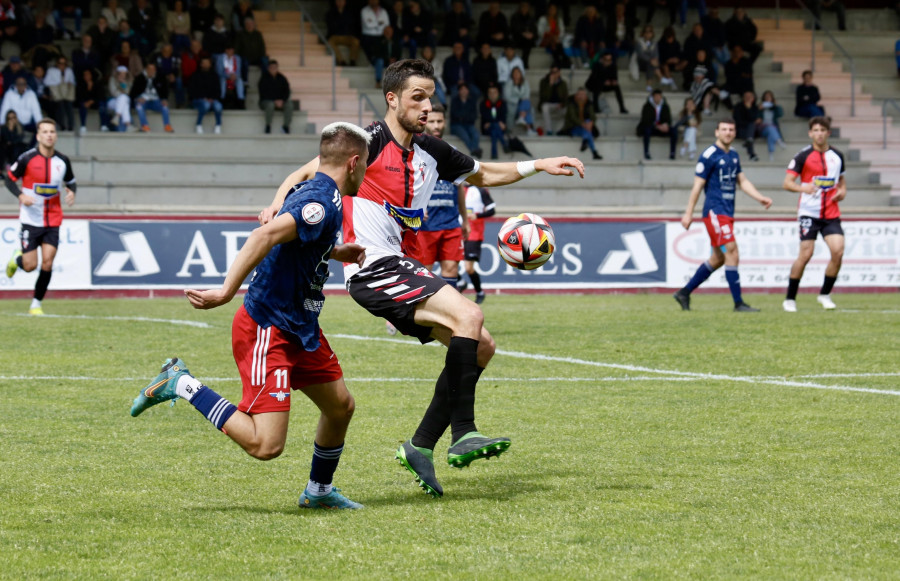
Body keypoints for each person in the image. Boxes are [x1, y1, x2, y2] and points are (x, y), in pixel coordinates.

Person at [260, 58, 585, 498]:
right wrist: (278, 205)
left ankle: (420, 445)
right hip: (371, 266)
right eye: (417, 97)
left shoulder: (432, 150)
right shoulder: (369, 141)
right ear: (392, 99)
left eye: (430, 96)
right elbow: (306, 171)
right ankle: (465, 432)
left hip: (397, 263)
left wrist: (541, 163)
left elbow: (485, 173)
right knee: (469, 314)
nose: (427, 105)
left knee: (481, 347)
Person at [130, 122, 371, 510]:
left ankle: (319, 491)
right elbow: (264, 236)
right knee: (265, 444)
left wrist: (335, 250)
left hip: (301, 326)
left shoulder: (325, 189)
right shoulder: (321, 202)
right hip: (269, 326)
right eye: (367, 167)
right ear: (354, 163)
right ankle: (181, 383)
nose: (367, 175)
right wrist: (226, 292)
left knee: (340, 406)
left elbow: (300, 218)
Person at [673, 118, 772, 312]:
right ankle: (738, 303)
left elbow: (742, 181)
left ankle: (684, 293)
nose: (728, 132)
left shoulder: (734, 155)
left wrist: (759, 197)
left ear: (734, 133)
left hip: (727, 213)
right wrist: (688, 213)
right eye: (724, 129)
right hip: (715, 212)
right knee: (732, 251)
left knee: (718, 258)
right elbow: (697, 185)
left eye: (731, 130)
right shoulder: (709, 155)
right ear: (717, 132)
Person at [5, 119, 77, 316]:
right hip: (31, 220)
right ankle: (17, 260)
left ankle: (36, 304)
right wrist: (20, 196)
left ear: (56, 135)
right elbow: (9, 180)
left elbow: (71, 181)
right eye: (45, 132)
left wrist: (71, 192)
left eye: (52, 131)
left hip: (53, 219)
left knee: (47, 262)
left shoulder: (62, 161)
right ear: (38, 136)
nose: (49, 135)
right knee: (30, 266)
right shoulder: (27, 159)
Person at [781, 116, 846, 312]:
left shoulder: (837, 156)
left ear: (828, 133)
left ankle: (825, 294)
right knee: (806, 254)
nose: (819, 133)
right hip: (809, 213)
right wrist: (804, 188)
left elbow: (841, 183)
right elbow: (787, 183)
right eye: (815, 130)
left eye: (822, 130)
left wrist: (842, 192)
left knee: (838, 251)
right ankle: (790, 298)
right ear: (810, 133)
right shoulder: (803, 156)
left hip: (831, 212)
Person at [457, 182, 495, 304]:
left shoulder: (481, 190)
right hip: (456, 232)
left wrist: (477, 216)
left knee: (468, 268)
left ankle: (479, 292)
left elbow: (492, 210)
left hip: (473, 233)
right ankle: (461, 282)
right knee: (446, 261)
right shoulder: (457, 187)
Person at [560, 87, 602, 160]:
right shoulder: (572, 104)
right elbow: (572, 117)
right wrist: (583, 124)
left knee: (588, 122)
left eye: (583, 94)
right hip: (573, 126)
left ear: (585, 96)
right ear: (576, 95)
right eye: (579, 94)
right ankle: (594, 151)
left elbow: (593, 116)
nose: (581, 96)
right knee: (587, 131)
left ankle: (586, 141)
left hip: (585, 127)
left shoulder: (589, 104)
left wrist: (590, 123)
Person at [130, 62, 173, 133]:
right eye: (149, 69)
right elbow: (133, 93)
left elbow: (165, 91)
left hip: (156, 101)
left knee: (165, 107)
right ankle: (145, 126)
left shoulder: (160, 77)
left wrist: (164, 99)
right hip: (143, 101)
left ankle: (167, 126)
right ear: (146, 69)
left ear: (155, 70)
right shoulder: (139, 78)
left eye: (153, 69)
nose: (151, 71)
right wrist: (138, 98)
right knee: (139, 107)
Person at [637, 89, 677, 160]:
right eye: (656, 96)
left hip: (662, 128)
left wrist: (665, 125)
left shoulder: (665, 106)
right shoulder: (647, 106)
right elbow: (645, 120)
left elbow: (668, 119)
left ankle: (672, 153)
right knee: (647, 130)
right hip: (651, 128)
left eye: (659, 97)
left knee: (674, 131)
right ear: (653, 97)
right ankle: (646, 152)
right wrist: (657, 126)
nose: (658, 98)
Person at [190, 55, 223, 134]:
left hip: (212, 100)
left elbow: (218, 91)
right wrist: (203, 98)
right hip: (198, 100)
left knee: (218, 106)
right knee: (206, 105)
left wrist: (212, 98)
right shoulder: (195, 75)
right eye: (203, 63)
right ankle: (198, 124)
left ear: (210, 64)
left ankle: (218, 125)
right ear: (201, 64)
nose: (205, 65)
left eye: (207, 63)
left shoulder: (215, 76)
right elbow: (192, 91)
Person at [258, 59, 292, 135]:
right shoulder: (263, 78)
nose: (273, 69)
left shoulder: (282, 78)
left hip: (280, 102)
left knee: (289, 105)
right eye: (271, 67)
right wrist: (274, 100)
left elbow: (287, 91)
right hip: (266, 102)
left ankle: (285, 126)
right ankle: (268, 125)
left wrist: (282, 100)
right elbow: (263, 93)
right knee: (270, 105)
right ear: (268, 68)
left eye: (275, 67)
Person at [45, 56, 77, 132]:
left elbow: (73, 82)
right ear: (57, 63)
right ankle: (62, 126)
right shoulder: (51, 71)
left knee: (69, 106)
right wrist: (58, 83)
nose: (62, 65)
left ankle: (70, 126)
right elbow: (46, 82)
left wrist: (68, 83)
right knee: (60, 106)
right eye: (60, 63)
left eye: (64, 63)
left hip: (66, 93)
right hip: (57, 93)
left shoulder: (69, 71)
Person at [450, 82, 482, 157]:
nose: (464, 91)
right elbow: (455, 114)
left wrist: (463, 116)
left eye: (465, 89)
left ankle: (474, 150)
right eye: (462, 89)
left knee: (476, 134)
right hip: (456, 125)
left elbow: (474, 115)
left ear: (468, 91)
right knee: (465, 136)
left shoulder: (471, 101)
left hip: (468, 124)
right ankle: (474, 150)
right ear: (459, 91)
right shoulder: (455, 101)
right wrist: (465, 116)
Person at [326, 0, 361, 67]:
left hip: (347, 36)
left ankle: (352, 61)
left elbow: (352, 26)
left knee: (356, 41)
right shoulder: (331, 13)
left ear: (345, 2)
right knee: (330, 41)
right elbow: (331, 26)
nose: (340, 2)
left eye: (341, 1)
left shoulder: (349, 13)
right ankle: (341, 61)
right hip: (335, 36)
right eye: (338, 1)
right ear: (335, 2)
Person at [504, 66, 536, 134]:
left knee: (527, 103)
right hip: (513, 104)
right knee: (526, 107)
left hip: (523, 103)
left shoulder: (525, 83)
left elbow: (527, 94)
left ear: (521, 74)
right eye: (514, 73)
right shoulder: (509, 83)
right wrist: (518, 100)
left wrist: (522, 100)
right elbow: (507, 96)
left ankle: (522, 118)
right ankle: (529, 129)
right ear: (512, 74)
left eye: (518, 72)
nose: (516, 74)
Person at [480, 83, 508, 159]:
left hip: (498, 128)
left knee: (494, 132)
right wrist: (498, 122)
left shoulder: (502, 103)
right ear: (488, 94)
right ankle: (504, 144)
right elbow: (485, 116)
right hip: (487, 128)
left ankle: (494, 154)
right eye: (490, 93)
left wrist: (497, 123)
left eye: (494, 92)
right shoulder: (483, 104)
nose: (492, 95)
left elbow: (503, 116)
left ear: (498, 93)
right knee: (495, 126)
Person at [76, 68, 108, 133]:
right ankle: (83, 126)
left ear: (91, 75)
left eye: (88, 74)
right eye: (85, 75)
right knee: (82, 105)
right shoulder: (81, 85)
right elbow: (80, 96)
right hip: (85, 103)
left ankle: (103, 126)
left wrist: (91, 101)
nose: (86, 76)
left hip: (95, 102)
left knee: (102, 105)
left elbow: (100, 96)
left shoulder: (97, 83)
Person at [538, 65, 568, 135]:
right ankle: (549, 130)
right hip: (548, 104)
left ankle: (564, 130)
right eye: (552, 72)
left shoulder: (563, 83)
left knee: (568, 109)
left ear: (559, 72)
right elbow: (543, 97)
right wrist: (550, 85)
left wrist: (562, 104)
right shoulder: (544, 82)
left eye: (556, 72)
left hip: (559, 105)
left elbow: (566, 98)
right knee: (544, 107)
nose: (554, 74)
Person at [733, 90, 760, 161]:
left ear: (753, 98)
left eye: (750, 97)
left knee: (751, 127)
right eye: (746, 96)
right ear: (743, 98)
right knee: (749, 130)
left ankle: (749, 142)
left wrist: (749, 109)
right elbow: (738, 121)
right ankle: (752, 154)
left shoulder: (755, 108)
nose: (748, 98)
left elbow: (755, 120)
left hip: (752, 131)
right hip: (740, 130)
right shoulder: (738, 107)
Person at [759, 90, 786, 160]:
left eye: (769, 97)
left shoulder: (774, 108)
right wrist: (759, 109)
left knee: (770, 133)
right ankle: (779, 141)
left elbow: (780, 114)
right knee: (770, 128)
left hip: (773, 128)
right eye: (766, 97)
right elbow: (755, 117)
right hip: (762, 128)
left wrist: (776, 106)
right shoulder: (760, 107)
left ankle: (771, 153)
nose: (767, 99)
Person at [509, 1, 537, 68]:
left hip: (528, 41)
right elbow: (513, 30)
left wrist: (531, 35)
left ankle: (524, 61)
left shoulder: (531, 18)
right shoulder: (515, 17)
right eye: (523, 6)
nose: (525, 8)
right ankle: (523, 62)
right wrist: (523, 34)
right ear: (520, 7)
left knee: (528, 42)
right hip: (518, 39)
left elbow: (535, 31)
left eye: (526, 6)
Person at [107, 65, 132, 132]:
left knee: (124, 101)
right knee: (124, 100)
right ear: (118, 73)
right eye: (121, 73)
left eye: (124, 73)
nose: (123, 75)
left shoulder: (127, 81)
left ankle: (117, 117)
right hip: (113, 101)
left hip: (121, 103)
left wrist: (123, 84)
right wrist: (121, 93)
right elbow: (113, 92)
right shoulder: (112, 79)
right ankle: (128, 125)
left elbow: (128, 92)